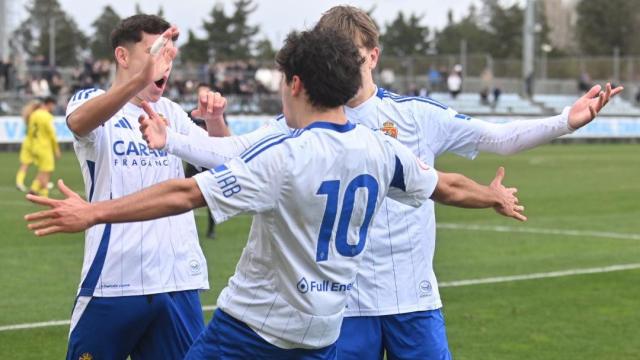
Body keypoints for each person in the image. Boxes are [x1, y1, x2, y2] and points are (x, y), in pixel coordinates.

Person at [127, 6, 622, 359]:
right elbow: (232, 153)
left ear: (374, 56)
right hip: (347, 308)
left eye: (355, 54)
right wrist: (171, 139)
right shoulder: (299, 121)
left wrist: (566, 120)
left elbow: (498, 137)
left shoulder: (414, 116)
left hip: (415, 301)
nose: (346, 62)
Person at [25, 28, 526, 359]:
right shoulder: (381, 149)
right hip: (323, 333)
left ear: (296, 84)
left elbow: (183, 194)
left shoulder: (285, 156)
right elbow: (445, 186)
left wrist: (94, 212)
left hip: (249, 331)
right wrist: (492, 196)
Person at [53, 14, 229, 359]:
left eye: (169, 55)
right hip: (113, 279)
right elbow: (79, 122)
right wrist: (138, 82)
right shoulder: (92, 100)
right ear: (122, 56)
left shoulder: (174, 113)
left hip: (177, 281)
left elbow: (226, 164)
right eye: (155, 52)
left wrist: (216, 122)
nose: (164, 62)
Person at [21, 97, 60, 197]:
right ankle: (44, 194)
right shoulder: (47, 116)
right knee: (47, 171)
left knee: (43, 169)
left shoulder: (34, 114)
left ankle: (34, 188)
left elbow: (30, 132)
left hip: (35, 146)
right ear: (50, 104)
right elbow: (52, 134)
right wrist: (56, 149)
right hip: (44, 147)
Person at [16, 100, 42, 192]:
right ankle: (39, 183)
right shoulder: (37, 117)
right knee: (43, 165)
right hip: (35, 142)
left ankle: (19, 182)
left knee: (25, 164)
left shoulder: (27, 116)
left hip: (27, 141)